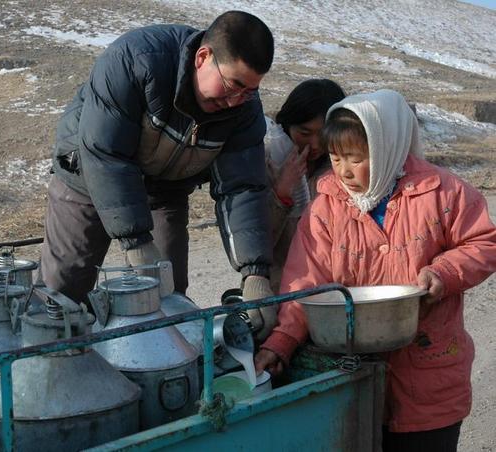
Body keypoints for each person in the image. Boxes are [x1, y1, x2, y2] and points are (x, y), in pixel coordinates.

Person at [254, 89, 496, 451]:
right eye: (336, 158)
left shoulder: (442, 193)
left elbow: (484, 243)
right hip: (353, 376)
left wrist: (444, 273)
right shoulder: (326, 208)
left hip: (428, 375)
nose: (344, 171)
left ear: (387, 147)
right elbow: (306, 281)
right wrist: (282, 341)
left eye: (356, 157)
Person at [39, 11, 276, 312]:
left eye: (249, 90)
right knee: (62, 294)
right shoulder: (135, 60)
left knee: (168, 299)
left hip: (165, 189)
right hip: (85, 177)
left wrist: (255, 273)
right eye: (232, 86)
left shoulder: (245, 108)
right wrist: (136, 241)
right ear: (202, 57)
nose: (235, 100)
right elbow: (105, 153)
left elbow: (242, 188)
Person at [264, 79, 346, 293]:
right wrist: (281, 192)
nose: (316, 145)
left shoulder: (345, 169)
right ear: (287, 125)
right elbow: (256, 244)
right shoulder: (268, 163)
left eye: (324, 134)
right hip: (281, 290)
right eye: (305, 133)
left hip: (335, 290)